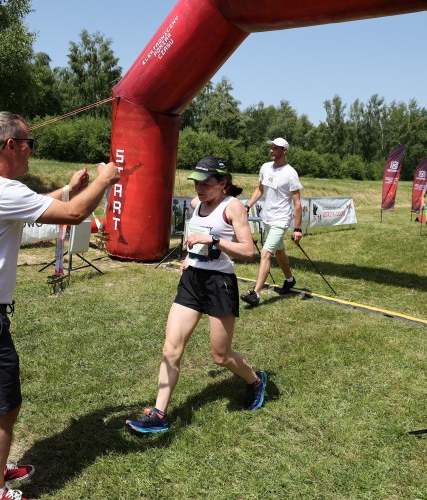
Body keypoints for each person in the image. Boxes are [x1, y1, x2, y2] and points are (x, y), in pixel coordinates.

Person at [0, 111, 120, 500]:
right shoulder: (1, 191)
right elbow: (73, 214)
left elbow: (36, 205)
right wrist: (104, 180)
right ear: (11, 146)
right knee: (4, 405)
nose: (31, 153)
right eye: (29, 145)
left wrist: (69, 188)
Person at [125, 156, 268, 435]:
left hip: (219, 283)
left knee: (220, 355)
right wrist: (191, 258)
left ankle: (255, 380)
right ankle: (159, 414)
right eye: (196, 182)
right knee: (171, 348)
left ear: (223, 183)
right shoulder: (196, 204)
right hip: (192, 280)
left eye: (206, 183)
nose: (199, 189)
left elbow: (248, 251)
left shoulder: (233, 207)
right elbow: (197, 234)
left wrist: (213, 241)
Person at [240, 138, 303, 307]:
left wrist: (297, 228)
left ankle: (256, 294)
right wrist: (247, 206)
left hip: (281, 220)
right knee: (279, 251)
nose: (272, 150)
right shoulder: (265, 167)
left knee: (265, 253)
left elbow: (297, 203)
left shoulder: (291, 173)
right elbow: (260, 189)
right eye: (272, 147)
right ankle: (289, 280)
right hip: (267, 218)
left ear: (284, 151)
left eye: (276, 148)